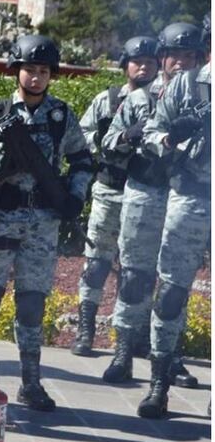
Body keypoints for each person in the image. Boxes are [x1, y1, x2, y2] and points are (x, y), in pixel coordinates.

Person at [0, 35, 94, 411]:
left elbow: (82, 161)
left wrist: (76, 198)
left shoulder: (60, 117)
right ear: (16, 70)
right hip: (0, 220)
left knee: (32, 304)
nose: (36, 77)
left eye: (44, 71)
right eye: (30, 69)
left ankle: (30, 383)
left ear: (52, 75)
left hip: (42, 224)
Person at [101, 22, 204, 384]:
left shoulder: (202, 98)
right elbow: (107, 145)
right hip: (146, 192)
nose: (182, 63)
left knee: (176, 282)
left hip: (187, 198)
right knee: (135, 276)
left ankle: (171, 358)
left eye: (190, 57)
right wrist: (134, 135)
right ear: (162, 58)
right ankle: (123, 354)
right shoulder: (141, 98)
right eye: (175, 56)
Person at [71, 36, 159, 356]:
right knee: (96, 263)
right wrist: (120, 140)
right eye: (137, 61)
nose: (144, 66)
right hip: (110, 190)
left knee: (140, 269)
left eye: (151, 61)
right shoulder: (107, 101)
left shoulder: (164, 100)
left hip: (149, 194)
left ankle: (135, 335)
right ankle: (85, 328)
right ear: (125, 66)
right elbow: (81, 140)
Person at [137, 44, 210, 417]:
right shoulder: (186, 85)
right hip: (191, 198)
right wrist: (171, 137)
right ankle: (158, 386)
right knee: (170, 295)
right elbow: (151, 132)